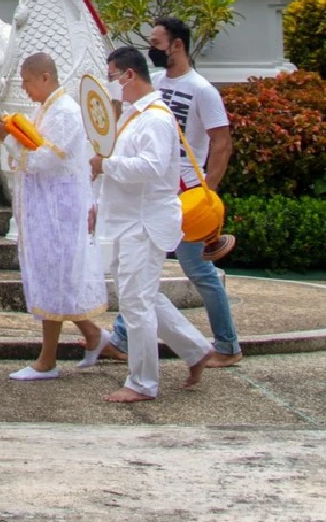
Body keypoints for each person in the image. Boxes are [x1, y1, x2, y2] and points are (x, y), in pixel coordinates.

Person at [99, 18, 243, 370]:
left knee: (196, 269)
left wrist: (208, 194)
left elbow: (221, 144)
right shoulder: (156, 84)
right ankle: (123, 337)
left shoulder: (203, 90)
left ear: (175, 45)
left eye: (156, 41)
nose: (152, 47)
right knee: (140, 270)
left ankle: (226, 343)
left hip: (187, 193)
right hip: (155, 192)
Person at [88, 45, 226, 403]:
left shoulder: (156, 118)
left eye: (113, 77)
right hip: (126, 218)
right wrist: (100, 202)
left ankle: (142, 382)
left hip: (146, 221)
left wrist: (106, 166)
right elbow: (120, 164)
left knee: (136, 302)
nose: (112, 86)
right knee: (142, 295)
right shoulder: (133, 116)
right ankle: (196, 350)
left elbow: (150, 167)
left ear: (129, 75)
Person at [0, 51, 106, 380]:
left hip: (60, 210)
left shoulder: (64, 112)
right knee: (55, 277)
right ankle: (93, 335)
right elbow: (30, 151)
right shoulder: (43, 109)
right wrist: (4, 133)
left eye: (27, 82)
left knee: (54, 277)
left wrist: (7, 138)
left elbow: (42, 160)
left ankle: (47, 360)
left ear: (45, 77)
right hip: (46, 208)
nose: (25, 89)